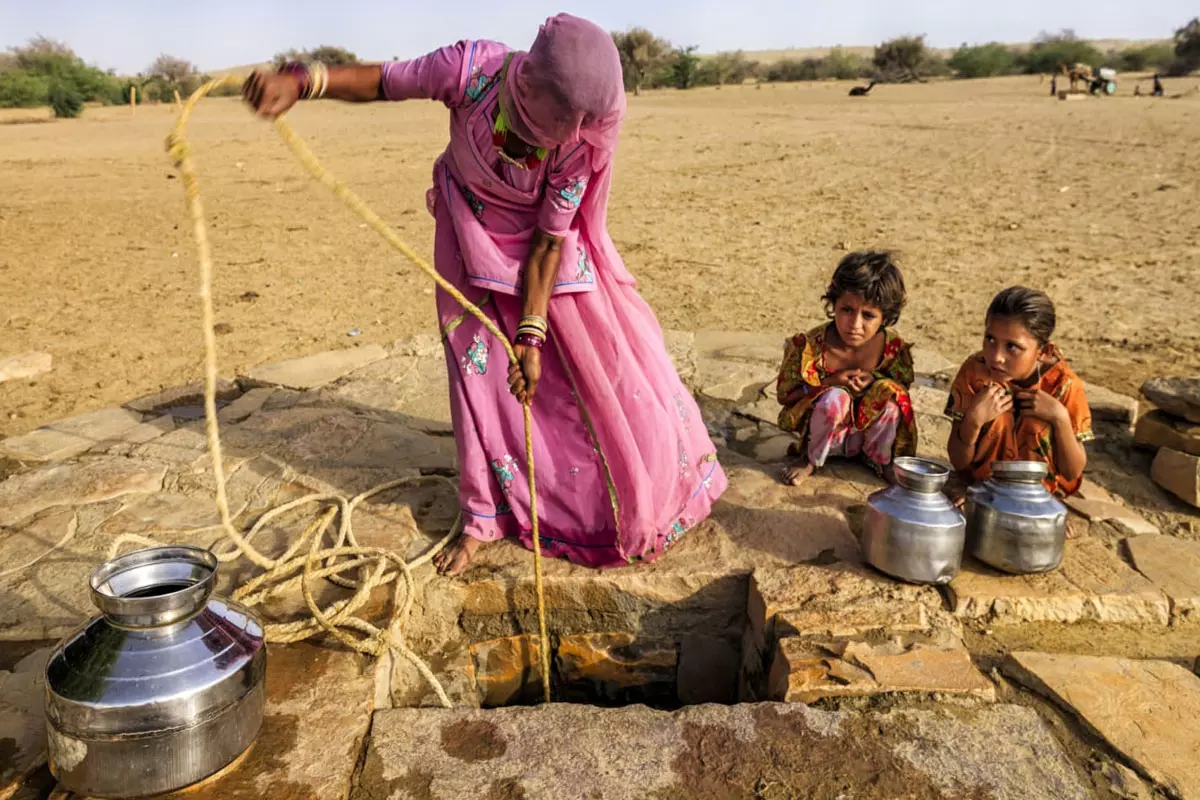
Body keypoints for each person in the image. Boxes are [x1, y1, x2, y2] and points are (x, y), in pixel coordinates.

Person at [242, 14, 726, 575]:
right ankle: (485, 516)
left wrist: (532, 334)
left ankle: (607, 501)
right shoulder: (472, 72)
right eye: (536, 130)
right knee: (479, 376)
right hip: (469, 243)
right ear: (523, 87)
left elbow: (550, 240)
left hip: (545, 263)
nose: (543, 145)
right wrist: (304, 81)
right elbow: (386, 81)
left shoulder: (577, 146)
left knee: (596, 373)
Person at [775, 252, 916, 485]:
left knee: (891, 400)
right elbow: (786, 396)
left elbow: (902, 390)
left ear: (885, 318)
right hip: (830, 438)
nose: (855, 324)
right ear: (834, 303)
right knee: (834, 400)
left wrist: (875, 381)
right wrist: (830, 383)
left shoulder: (893, 351)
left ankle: (880, 460)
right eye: (847, 310)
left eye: (868, 315)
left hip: (869, 436)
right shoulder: (810, 348)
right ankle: (810, 459)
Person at [944, 286, 1091, 499]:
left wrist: (1060, 418)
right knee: (993, 412)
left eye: (1012, 347)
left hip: (1040, 496)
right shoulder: (975, 372)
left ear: (1043, 352)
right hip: (982, 485)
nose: (996, 357)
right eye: (990, 339)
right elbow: (959, 463)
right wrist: (973, 422)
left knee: (1039, 421)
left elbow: (1072, 472)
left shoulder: (1064, 385)